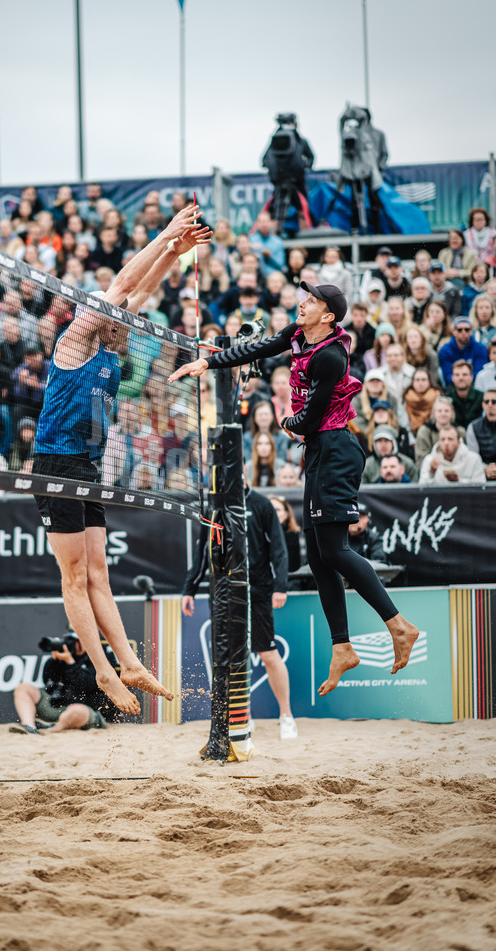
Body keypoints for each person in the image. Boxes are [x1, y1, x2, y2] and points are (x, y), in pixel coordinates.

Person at [170, 281, 419, 695]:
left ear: (329, 315)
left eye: (311, 301)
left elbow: (306, 420)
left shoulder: (333, 358)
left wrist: (287, 424)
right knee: (320, 556)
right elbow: (259, 348)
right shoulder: (299, 333)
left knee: (336, 550)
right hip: (320, 451)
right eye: (303, 298)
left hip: (337, 450)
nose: (301, 303)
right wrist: (208, 364)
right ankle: (342, 647)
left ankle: (398, 625)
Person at [32, 203, 211, 715]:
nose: (130, 320)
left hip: (85, 469)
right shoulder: (75, 343)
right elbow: (123, 286)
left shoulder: (112, 348)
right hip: (56, 465)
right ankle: (108, 674)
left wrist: (174, 253)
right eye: (120, 314)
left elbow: (141, 289)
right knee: (74, 579)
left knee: (100, 578)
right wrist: (165, 233)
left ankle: (129, 664)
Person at [182, 482, 298, 740]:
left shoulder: (260, 504)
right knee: (228, 658)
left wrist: (281, 586)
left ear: (242, 469)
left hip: (257, 591)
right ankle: (241, 716)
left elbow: (278, 549)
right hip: (223, 594)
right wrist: (189, 588)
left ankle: (287, 716)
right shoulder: (212, 507)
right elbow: (203, 552)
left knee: (268, 654)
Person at [11, 632, 121, 735]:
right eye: (73, 641)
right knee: (23, 688)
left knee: (77, 710)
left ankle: (52, 730)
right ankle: (29, 726)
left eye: (77, 641)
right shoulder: (64, 656)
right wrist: (55, 661)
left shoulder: (101, 657)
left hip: (85, 710)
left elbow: (87, 685)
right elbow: (48, 680)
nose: (73, 645)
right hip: (58, 705)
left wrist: (70, 663)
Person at [418, 425, 486, 485]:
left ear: (459, 442)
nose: (446, 443)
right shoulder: (430, 460)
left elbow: (480, 487)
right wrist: (431, 473)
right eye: (443, 439)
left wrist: (458, 481)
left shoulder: (473, 459)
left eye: (450, 439)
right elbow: (421, 490)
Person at [414, 396, 465, 467]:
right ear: (434, 414)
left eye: (446, 411)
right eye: (439, 411)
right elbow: (420, 460)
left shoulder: (460, 431)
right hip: (431, 468)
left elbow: (464, 456)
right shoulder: (424, 431)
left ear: (452, 414)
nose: (443, 414)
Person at [438, 317, 489, 383]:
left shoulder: (481, 349)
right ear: (454, 331)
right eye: (459, 330)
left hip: (474, 384)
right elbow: (447, 374)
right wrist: (461, 380)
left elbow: (479, 373)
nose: (463, 332)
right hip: (453, 385)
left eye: (467, 329)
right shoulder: (444, 350)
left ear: (471, 331)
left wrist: (463, 380)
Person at [465, 388, 496, 481]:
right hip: (481, 474)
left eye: (494, 401)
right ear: (483, 405)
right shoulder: (473, 426)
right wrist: (485, 469)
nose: (490, 404)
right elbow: (472, 457)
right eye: (486, 401)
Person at [445, 360, 483, 429]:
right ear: (452, 378)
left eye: (464, 374)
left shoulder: (481, 397)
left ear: (471, 377)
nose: (461, 378)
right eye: (457, 375)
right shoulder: (446, 398)